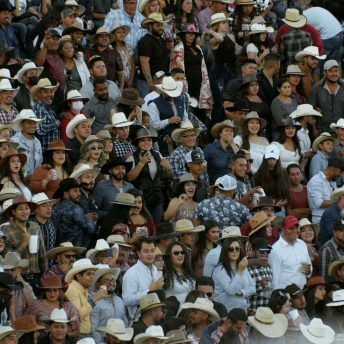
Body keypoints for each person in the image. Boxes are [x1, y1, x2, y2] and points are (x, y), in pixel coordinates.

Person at [126, 127, 169, 224]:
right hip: (140, 199)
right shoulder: (132, 157)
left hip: (157, 197)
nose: (146, 143)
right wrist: (141, 163)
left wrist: (168, 168)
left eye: (149, 140)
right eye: (142, 140)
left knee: (157, 223)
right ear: (138, 143)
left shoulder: (158, 154)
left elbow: (166, 175)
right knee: (143, 225)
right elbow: (129, 178)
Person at [170, 23, 212, 120]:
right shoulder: (177, 50)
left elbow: (203, 67)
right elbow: (174, 69)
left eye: (193, 34)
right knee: (186, 110)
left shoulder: (198, 49)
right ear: (183, 35)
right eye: (189, 34)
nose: (191, 36)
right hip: (185, 85)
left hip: (200, 86)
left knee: (199, 110)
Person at [2, 195, 48, 279]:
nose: (25, 212)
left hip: (36, 276)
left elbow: (42, 253)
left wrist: (45, 274)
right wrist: (24, 242)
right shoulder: (6, 231)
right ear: (13, 212)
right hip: (18, 278)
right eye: (20, 209)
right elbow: (9, 261)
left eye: (27, 208)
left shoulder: (35, 227)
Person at [122, 237, 162, 320]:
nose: (150, 254)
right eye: (146, 251)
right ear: (139, 253)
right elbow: (127, 301)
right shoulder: (131, 273)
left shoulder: (155, 269)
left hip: (157, 317)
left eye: (152, 250)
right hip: (139, 320)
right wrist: (149, 291)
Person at [212, 237, 255, 312]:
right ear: (225, 251)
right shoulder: (220, 269)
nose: (235, 251)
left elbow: (253, 288)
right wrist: (240, 271)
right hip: (226, 312)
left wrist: (242, 292)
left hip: (242, 311)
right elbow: (231, 291)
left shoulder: (241, 266)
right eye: (231, 249)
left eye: (237, 249)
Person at [269, 216, 312, 290]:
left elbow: (308, 267)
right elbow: (275, 278)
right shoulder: (275, 249)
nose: (295, 230)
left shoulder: (302, 244)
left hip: (303, 291)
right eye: (291, 228)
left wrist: (308, 271)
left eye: (296, 227)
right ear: (283, 229)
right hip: (287, 295)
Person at [52, 178, 97, 248]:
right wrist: (87, 219)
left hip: (60, 248)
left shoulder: (55, 207)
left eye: (79, 190)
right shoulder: (75, 209)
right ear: (66, 194)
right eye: (75, 191)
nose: (79, 193)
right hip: (76, 248)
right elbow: (91, 229)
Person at [207, 12, 236, 121]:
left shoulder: (229, 37)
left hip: (229, 71)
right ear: (217, 24)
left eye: (226, 22)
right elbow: (220, 39)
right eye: (223, 23)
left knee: (229, 101)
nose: (226, 25)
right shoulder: (213, 39)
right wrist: (211, 31)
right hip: (218, 72)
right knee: (219, 102)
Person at [90, 265, 127, 342]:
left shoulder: (119, 300)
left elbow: (124, 321)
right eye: (107, 280)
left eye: (113, 280)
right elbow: (93, 328)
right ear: (98, 284)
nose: (111, 283)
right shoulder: (95, 301)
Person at [64, 259, 99, 338]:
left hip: (84, 335)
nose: (92, 277)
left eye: (93, 274)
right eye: (88, 274)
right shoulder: (72, 289)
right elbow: (76, 316)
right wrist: (94, 299)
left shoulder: (84, 289)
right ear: (78, 276)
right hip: (77, 336)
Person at [138, 13, 169, 97]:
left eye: (161, 25)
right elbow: (144, 62)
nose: (161, 28)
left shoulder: (162, 40)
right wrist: (150, 82)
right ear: (150, 26)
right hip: (147, 83)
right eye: (158, 25)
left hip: (160, 82)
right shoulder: (145, 41)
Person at [310, 60, 344, 133]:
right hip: (322, 130)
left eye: (336, 71)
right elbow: (311, 112)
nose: (334, 74)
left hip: (341, 130)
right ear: (324, 73)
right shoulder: (316, 88)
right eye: (330, 71)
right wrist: (314, 130)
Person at [307, 157, 344, 223]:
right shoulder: (316, 181)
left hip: (334, 217)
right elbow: (319, 203)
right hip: (320, 218)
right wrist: (340, 200)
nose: (340, 175)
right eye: (340, 171)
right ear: (332, 168)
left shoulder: (332, 181)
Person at [2, 252, 35, 320]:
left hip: (20, 326)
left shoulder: (25, 287)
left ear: (19, 270)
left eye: (12, 270)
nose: (9, 273)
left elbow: (34, 306)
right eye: (6, 270)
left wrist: (23, 284)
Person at [10, 109, 43, 177]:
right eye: (29, 123)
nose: (33, 125)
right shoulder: (14, 141)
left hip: (34, 180)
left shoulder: (37, 142)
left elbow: (39, 163)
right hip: (20, 179)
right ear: (22, 124)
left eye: (34, 122)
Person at [204, 120, 238, 185]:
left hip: (232, 183)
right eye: (226, 130)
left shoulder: (235, 147)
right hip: (216, 184)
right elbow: (202, 165)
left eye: (231, 131)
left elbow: (241, 161)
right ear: (220, 133)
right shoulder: (210, 148)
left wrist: (232, 144)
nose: (229, 133)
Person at [31, 78, 60, 151]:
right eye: (45, 92)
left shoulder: (48, 107)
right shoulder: (38, 107)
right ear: (39, 94)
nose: (49, 94)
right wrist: (56, 124)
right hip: (45, 151)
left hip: (52, 149)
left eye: (51, 91)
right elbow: (40, 129)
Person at [248, 238, 273, 312]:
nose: (265, 253)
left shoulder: (268, 267)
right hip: (253, 311)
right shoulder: (247, 268)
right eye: (262, 250)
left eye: (268, 250)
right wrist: (259, 286)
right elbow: (243, 292)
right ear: (252, 252)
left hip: (267, 312)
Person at [113, 23, 135, 88]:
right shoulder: (111, 48)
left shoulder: (127, 46)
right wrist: (123, 79)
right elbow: (113, 66)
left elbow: (132, 65)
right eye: (118, 32)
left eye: (123, 32)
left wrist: (130, 79)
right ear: (114, 34)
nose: (122, 34)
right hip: (116, 80)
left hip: (129, 80)